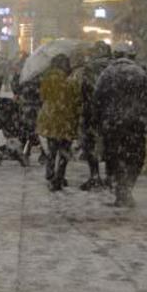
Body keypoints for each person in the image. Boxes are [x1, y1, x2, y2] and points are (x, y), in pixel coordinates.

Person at [95, 48, 147, 207]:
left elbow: (97, 100)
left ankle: (121, 188)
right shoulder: (139, 73)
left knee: (114, 156)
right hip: (135, 123)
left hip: (112, 124)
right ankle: (127, 187)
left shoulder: (106, 74)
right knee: (136, 156)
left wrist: (95, 121)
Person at [36, 54, 81, 192]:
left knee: (52, 149)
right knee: (64, 151)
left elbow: (42, 96)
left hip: (50, 118)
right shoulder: (71, 81)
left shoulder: (46, 79)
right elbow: (76, 98)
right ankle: (59, 177)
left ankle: (50, 173)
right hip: (66, 119)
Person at [76, 41, 113, 190]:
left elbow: (84, 91)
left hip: (92, 112)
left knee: (90, 144)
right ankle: (110, 176)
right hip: (111, 112)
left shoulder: (90, 68)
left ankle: (94, 175)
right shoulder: (114, 67)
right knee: (110, 145)